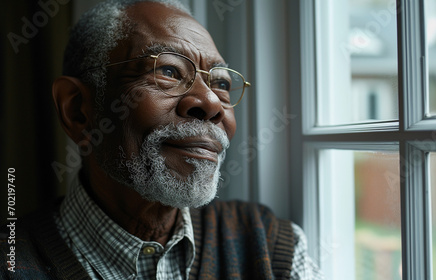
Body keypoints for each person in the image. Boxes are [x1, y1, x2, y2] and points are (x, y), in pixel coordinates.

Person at [1, 0, 323, 279]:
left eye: (222, 82)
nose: (211, 104)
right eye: (168, 71)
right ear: (78, 111)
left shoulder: (270, 245)